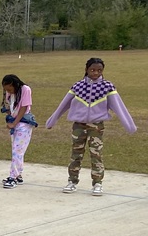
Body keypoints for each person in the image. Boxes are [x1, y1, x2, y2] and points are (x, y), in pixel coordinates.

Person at [45, 57, 137, 196]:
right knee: (76, 153)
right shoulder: (77, 87)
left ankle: (97, 183)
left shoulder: (107, 87)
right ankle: (72, 181)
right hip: (79, 126)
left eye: (99, 70)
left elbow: (119, 107)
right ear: (86, 70)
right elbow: (63, 105)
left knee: (96, 154)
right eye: (92, 70)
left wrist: (130, 126)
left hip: (96, 126)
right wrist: (51, 121)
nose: (95, 73)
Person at [0, 74, 36, 189]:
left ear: (15, 84)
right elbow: (11, 107)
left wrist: (14, 123)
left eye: (10, 89)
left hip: (24, 122)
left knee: (17, 151)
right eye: (6, 89)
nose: (8, 91)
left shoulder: (25, 89)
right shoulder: (9, 93)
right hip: (14, 122)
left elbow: (24, 108)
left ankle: (13, 177)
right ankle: (18, 174)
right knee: (16, 150)